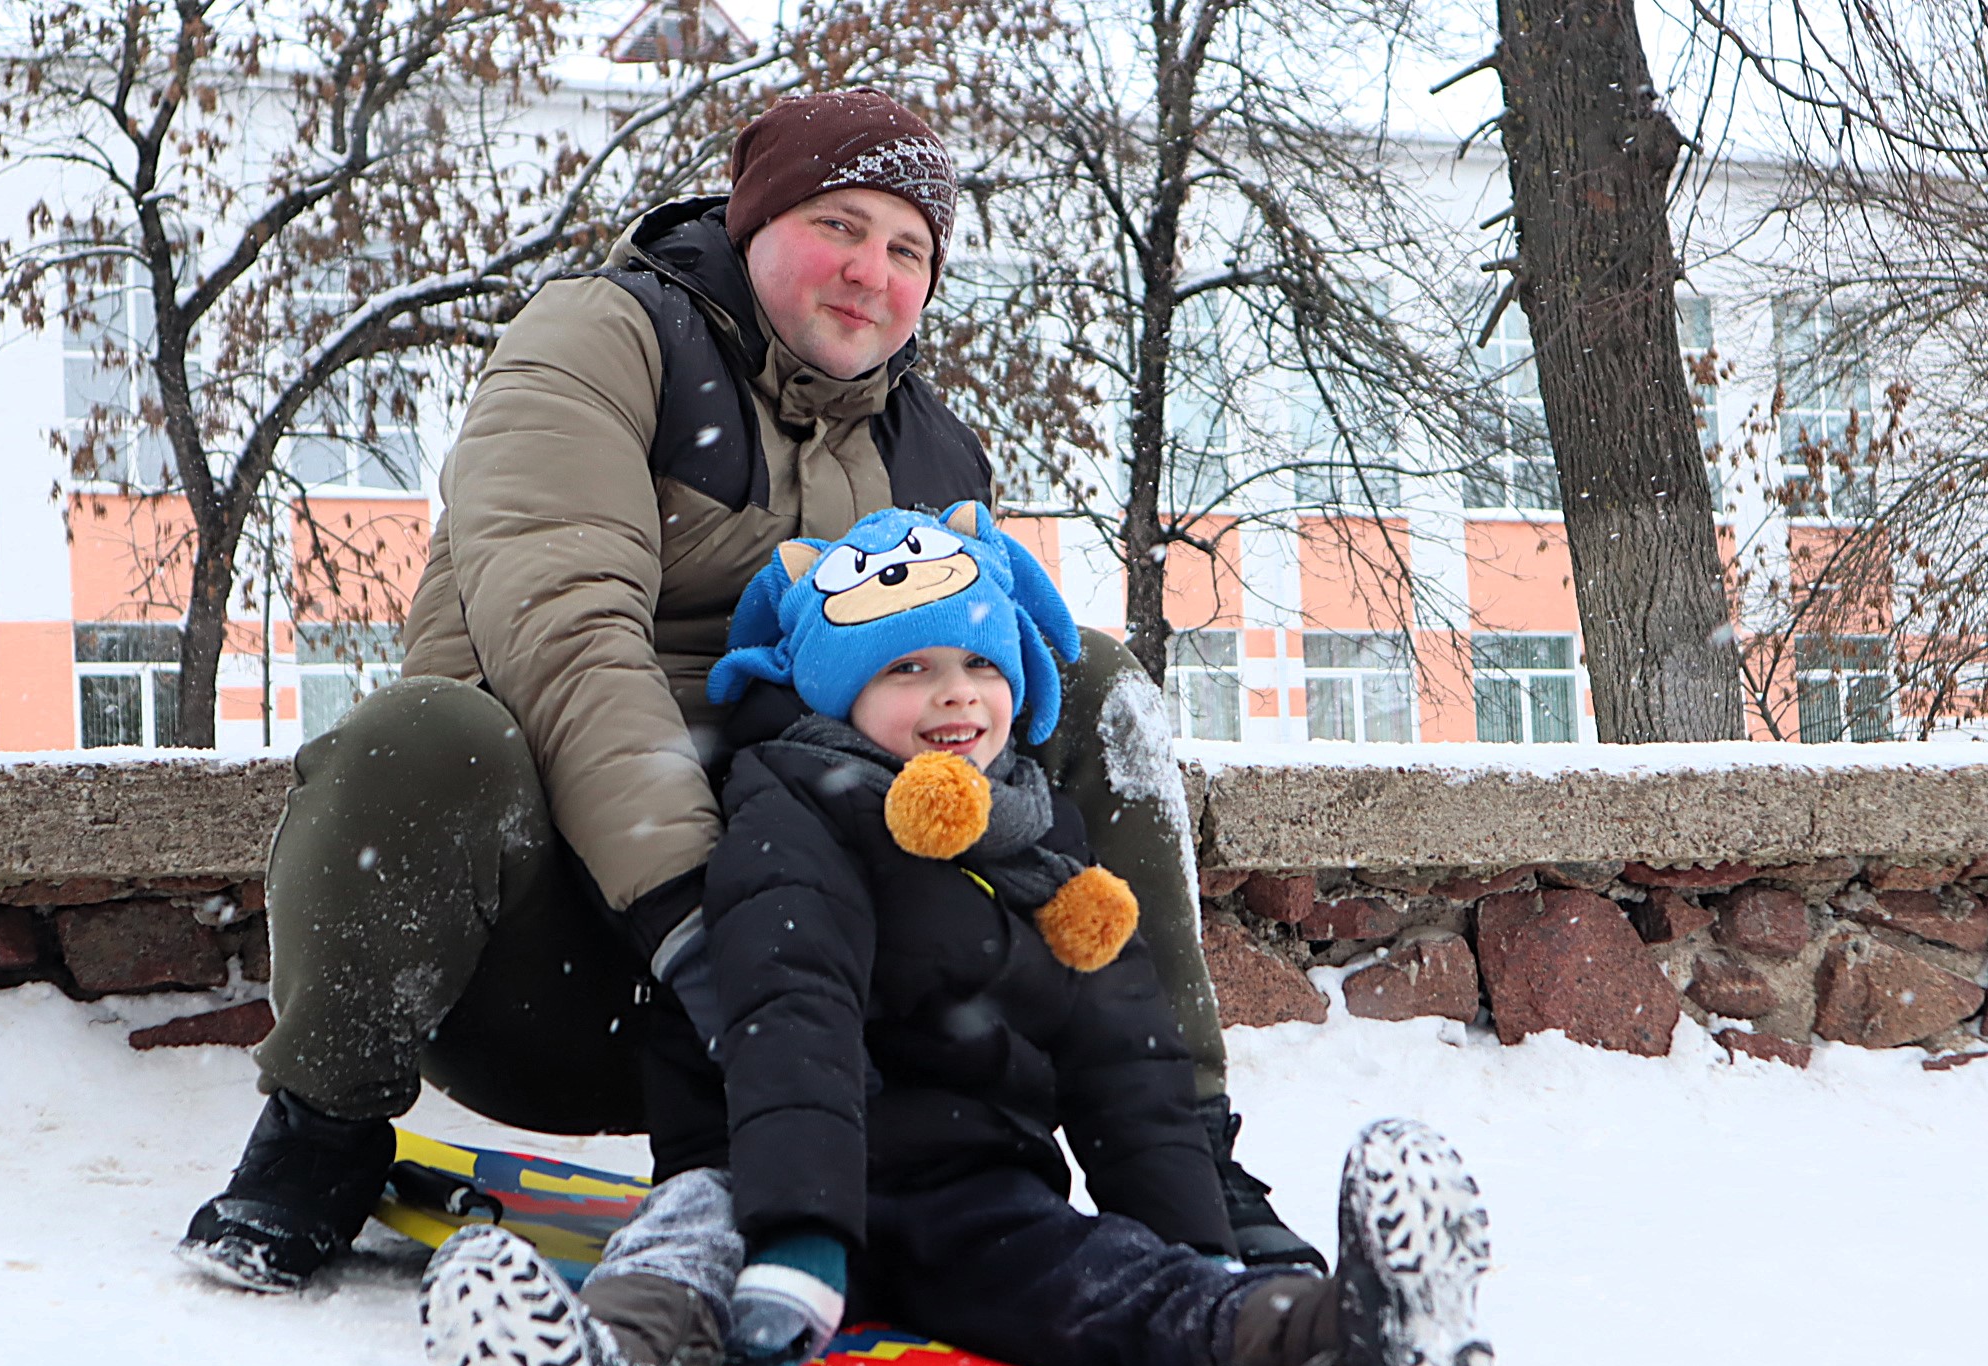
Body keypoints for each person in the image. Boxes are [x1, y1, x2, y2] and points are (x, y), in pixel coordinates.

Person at [178, 88, 1318, 1297]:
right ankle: (322, 1126)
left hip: (823, 989)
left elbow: (969, 735)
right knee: (422, 737)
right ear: (753, 220)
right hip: (571, 966)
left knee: (1085, 678)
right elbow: (566, 632)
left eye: (909, 249)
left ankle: (1192, 1153)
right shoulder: (602, 341)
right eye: (841, 223)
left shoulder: (933, 455)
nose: (872, 271)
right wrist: (700, 932)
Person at [415, 504, 1500, 1366]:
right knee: (683, 1254)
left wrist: (1192, 1242)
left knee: (1101, 1281)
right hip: (763, 1160)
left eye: (983, 663)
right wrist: (799, 1234)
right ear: (837, 690)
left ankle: (1346, 1352)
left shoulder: (1039, 837)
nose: (957, 695)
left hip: (966, 1186)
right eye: (908, 667)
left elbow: (1127, 1058)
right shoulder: (791, 808)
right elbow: (795, 1003)